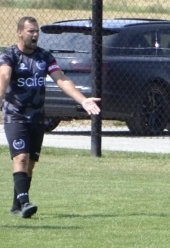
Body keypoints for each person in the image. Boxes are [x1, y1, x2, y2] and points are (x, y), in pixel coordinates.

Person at [2, 15, 101, 219]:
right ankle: (25, 202)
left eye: (37, 31)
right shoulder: (9, 55)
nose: (35, 34)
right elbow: (3, 76)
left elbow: (62, 80)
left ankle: (16, 206)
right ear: (20, 32)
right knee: (20, 157)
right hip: (15, 115)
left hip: (37, 117)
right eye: (31, 31)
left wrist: (82, 100)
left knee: (30, 164)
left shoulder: (44, 57)